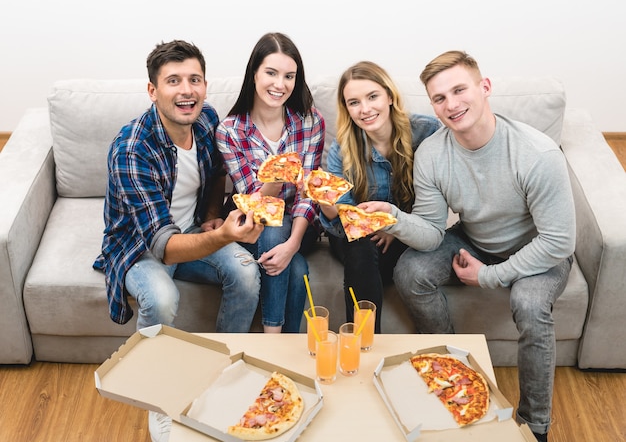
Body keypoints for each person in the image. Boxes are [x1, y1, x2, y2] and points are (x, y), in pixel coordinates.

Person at [361, 50, 575, 442]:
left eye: (460, 90)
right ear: (433, 106)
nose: (452, 104)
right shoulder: (433, 153)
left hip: (539, 250)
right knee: (410, 271)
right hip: (474, 239)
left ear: (485, 87)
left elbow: (558, 242)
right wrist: (393, 216)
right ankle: (452, 376)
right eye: (440, 98)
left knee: (528, 304)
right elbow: (429, 231)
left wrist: (489, 276)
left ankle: (535, 426)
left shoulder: (537, 153)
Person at [92, 40, 264, 442]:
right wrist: (223, 235)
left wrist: (209, 220)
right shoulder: (132, 148)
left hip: (189, 231)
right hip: (137, 246)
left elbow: (218, 170)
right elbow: (163, 246)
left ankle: (222, 373)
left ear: (204, 85)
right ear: (153, 91)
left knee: (245, 271)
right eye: (173, 81)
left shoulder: (205, 120)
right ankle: (160, 399)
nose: (186, 90)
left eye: (194, 79)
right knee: (162, 298)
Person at [216, 32, 325, 333]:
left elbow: (309, 193)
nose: (280, 85)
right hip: (257, 223)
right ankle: (281, 346)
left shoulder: (310, 121)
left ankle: (270, 343)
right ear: (254, 74)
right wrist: (275, 178)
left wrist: (293, 244)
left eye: (289, 76)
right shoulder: (230, 131)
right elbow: (255, 203)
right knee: (296, 265)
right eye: (271, 73)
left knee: (284, 239)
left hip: (301, 226)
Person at [318, 61, 440, 331]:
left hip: (409, 232)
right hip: (357, 237)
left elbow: (436, 200)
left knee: (378, 257)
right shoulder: (342, 150)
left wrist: (395, 227)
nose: (365, 109)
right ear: (347, 109)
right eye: (354, 102)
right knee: (361, 245)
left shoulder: (427, 132)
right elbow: (345, 223)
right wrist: (329, 208)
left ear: (389, 96)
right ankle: (364, 343)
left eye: (372, 96)